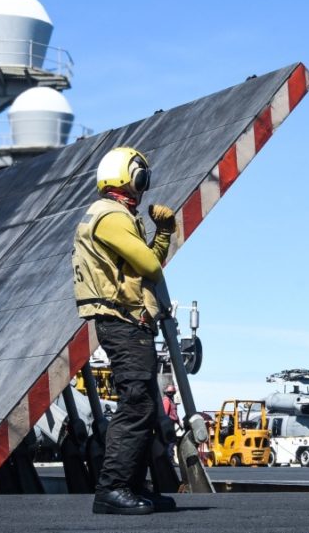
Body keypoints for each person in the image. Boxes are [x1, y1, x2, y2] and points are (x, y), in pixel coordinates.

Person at [73, 146, 177, 515]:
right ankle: (112, 489)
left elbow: (143, 264)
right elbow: (151, 264)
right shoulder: (112, 215)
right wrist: (164, 231)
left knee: (145, 406)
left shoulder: (112, 215)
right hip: (123, 322)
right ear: (131, 177)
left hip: (129, 321)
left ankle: (132, 487)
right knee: (136, 404)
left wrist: (159, 234)